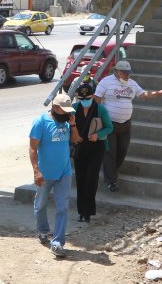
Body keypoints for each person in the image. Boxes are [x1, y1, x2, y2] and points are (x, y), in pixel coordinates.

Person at [95, 59, 162, 192]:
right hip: (109, 124)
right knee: (110, 152)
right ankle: (111, 181)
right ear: (117, 72)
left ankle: (110, 170)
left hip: (125, 124)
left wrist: (158, 93)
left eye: (129, 73)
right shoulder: (106, 82)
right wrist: (100, 117)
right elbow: (96, 99)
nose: (127, 75)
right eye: (124, 73)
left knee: (122, 151)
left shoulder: (132, 83)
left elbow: (143, 95)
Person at [30, 93, 79, 258]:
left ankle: (57, 242)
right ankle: (43, 231)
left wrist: (73, 125)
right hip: (45, 174)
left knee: (62, 207)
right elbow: (32, 148)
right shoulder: (41, 122)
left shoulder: (67, 123)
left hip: (64, 172)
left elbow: (77, 139)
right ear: (55, 107)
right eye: (64, 110)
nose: (67, 113)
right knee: (40, 204)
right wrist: (36, 171)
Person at [72, 78, 112, 223]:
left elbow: (109, 127)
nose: (85, 102)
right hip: (80, 149)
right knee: (80, 179)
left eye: (87, 99)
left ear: (92, 96)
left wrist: (98, 135)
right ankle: (81, 211)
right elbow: (69, 126)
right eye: (82, 99)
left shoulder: (100, 109)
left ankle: (88, 212)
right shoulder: (75, 108)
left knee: (91, 179)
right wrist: (75, 137)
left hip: (96, 149)